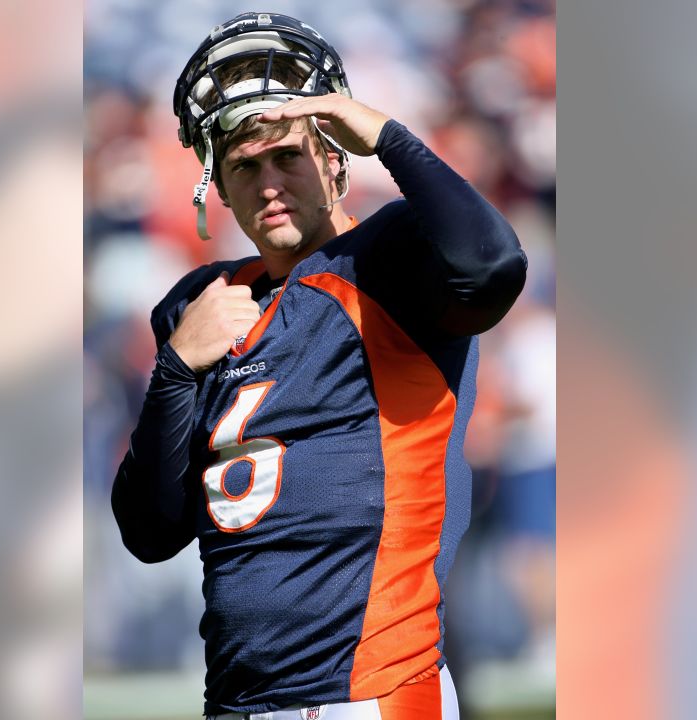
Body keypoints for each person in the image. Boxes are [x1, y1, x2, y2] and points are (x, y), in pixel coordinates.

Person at [110, 12, 526, 720]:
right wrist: (178, 368)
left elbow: (489, 266)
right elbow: (150, 530)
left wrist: (390, 137)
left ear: (334, 158)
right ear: (219, 185)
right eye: (245, 166)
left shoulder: (388, 257)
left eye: (287, 157)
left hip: (370, 695)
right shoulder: (201, 306)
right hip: (235, 701)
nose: (268, 183)